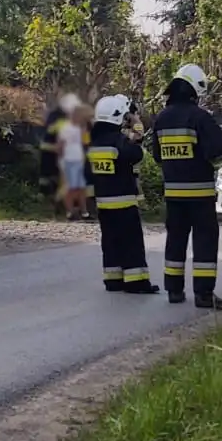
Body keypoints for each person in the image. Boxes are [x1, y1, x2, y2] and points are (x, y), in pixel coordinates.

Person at [149, 63, 222, 309]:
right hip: (201, 193)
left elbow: (157, 155)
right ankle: (204, 295)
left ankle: (174, 291)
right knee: (204, 241)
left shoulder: (161, 119)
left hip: (173, 193)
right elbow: (216, 149)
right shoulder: (200, 117)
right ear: (195, 90)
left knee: (175, 239)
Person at [87, 94, 159, 293]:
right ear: (118, 116)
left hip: (103, 203)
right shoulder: (118, 141)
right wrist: (136, 128)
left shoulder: (93, 142)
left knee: (110, 242)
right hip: (124, 203)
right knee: (131, 242)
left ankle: (113, 280)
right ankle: (137, 283)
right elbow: (137, 155)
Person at [57, 97, 91, 220]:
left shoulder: (80, 127)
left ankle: (84, 212)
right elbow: (60, 145)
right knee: (70, 187)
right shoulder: (65, 127)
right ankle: (70, 212)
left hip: (78, 160)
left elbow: (84, 141)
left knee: (81, 187)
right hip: (68, 160)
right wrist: (61, 162)